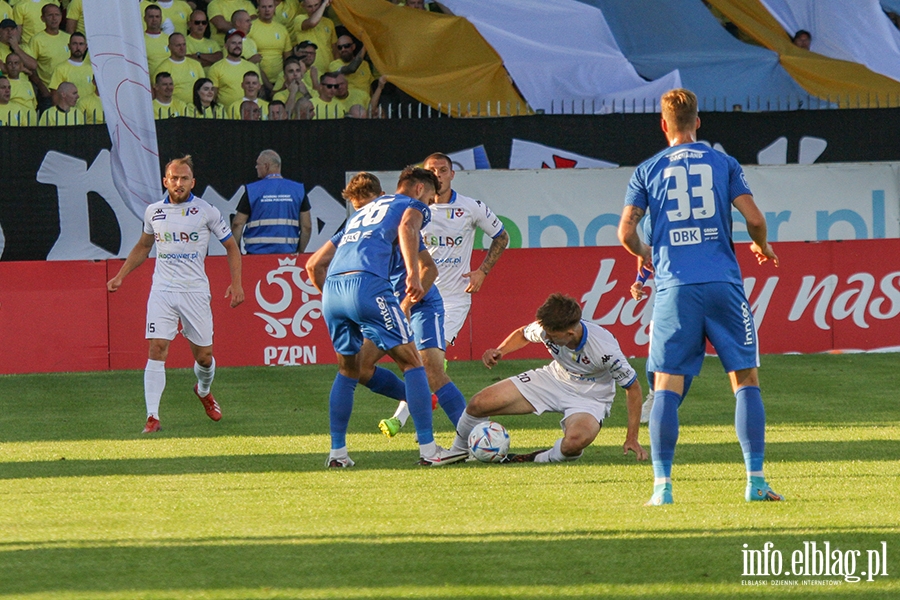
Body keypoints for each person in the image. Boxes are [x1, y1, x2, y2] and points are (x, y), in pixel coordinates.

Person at [617, 87, 783, 505]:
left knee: (667, 387)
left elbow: (626, 233)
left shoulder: (647, 169)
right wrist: (761, 246)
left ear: (663, 124)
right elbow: (755, 219)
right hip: (723, 285)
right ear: (698, 121)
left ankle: (662, 489)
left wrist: (648, 254)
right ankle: (756, 483)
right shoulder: (723, 163)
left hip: (676, 290)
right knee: (745, 380)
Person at [305, 167, 466, 467]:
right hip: (369, 287)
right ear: (420, 189)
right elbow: (408, 228)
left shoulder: (360, 214)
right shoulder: (411, 205)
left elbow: (314, 265)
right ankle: (429, 450)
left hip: (333, 290)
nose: (429, 206)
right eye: (430, 199)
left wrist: (336, 297)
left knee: (348, 371)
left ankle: (337, 454)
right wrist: (412, 275)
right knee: (412, 362)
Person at [107, 155, 244, 434]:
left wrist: (237, 283)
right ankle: (152, 417)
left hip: (195, 291)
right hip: (163, 291)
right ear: (165, 181)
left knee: (204, 357)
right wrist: (121, 275)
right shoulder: (153, 211)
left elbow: (231, 247)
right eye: (174, 178)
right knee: (157, 348)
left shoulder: (206, 211)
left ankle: (203, 390)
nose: (178, 183)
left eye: (184, 179)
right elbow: (144, 246)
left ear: (192, 182)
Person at [446, 293, 647, 464]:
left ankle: (539, 458)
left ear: (569, 333)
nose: (546, 338)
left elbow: (633, 388)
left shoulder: (605, 350)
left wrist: (632, 437)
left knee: (574, 443)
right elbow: (523, 334)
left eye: (552, 336)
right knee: (478, 404)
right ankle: (457, 451)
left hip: (591, 397)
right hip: (553, 379)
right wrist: (500, 350)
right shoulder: (546, 328)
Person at [421, 152, 509, 346]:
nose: (438, 175)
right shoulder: (413, 209)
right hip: (419, 294)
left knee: (434, 351)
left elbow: (502, 237)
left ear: (452, 174)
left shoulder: (471, 207)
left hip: (454, 297)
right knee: (417, 357)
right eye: (432, 171)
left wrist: (482, 271)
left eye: (443, 170)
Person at [231, 149, 311, 253]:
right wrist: (299, 252)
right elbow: (307, 227)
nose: (256, 167)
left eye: (258, 164)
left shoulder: (252, 190)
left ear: (266, 166)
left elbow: (237, 224)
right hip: (287, 257)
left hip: (255, 257)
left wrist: (237, 253)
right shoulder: (298, 190)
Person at [207, 28, 261, 108]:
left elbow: (260, 92)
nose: (237, 46)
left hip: (248, 115)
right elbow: (212, 97)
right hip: (225, 116)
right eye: (233, 43)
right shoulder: (216, 68)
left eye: (239, 43)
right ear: (225, 46)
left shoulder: (252, 67)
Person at [248, 0, 292, 84]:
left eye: (270, 6)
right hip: (256, 81)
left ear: (275, 8)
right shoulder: (250, 27)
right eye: (263, 7)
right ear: (258, 8)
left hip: (280, 81)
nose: (267, 10)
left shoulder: (282, 29)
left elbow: (288, 58)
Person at [152, 33, 202, 105]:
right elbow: (159, 95)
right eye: (178, 45)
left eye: (184, 44)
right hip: (175, 111)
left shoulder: (196, 64)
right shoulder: (162, 69)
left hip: (195, 109)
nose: (182, 48)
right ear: (169, 47)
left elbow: (203, 87)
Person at [291, 0, 336, 74]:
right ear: (303, 6)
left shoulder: (329, 22)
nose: (314, 9)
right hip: (309, 71)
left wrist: (335, 69)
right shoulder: (299, 19)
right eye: (310, 6)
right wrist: (324, 4)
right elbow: (312, 22)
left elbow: (334, 49)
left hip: (328, 71)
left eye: (316, 5)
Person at [48, 31, 94, 103]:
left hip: (89, 112)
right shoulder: (60, 69)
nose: (78, 47)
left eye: (81, 44)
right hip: (70, 113)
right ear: (69, 46)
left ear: (86, 47)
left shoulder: (92, 69)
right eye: (74, 44)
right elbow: (55, 95)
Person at [144, 4, 171, 71]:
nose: (154, 20)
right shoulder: (141, 40)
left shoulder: (169, 39)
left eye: (157, 17)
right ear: (145, 18)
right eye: (151, 17)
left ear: (161, 18)